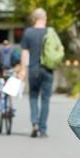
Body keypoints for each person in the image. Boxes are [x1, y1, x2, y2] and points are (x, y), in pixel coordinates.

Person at [17, 8, 53, 138]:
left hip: (33, 69)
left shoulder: (28, 32)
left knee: (33, 96)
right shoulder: (50, 32)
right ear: (44, 18)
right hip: (48, 69)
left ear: (34, 18)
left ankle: (35, 123)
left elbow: (25, 52)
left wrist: (23, 70)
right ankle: (43, 129)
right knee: (45, 99)